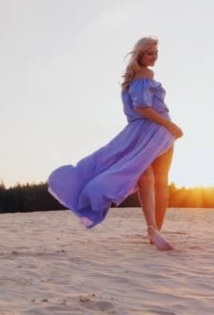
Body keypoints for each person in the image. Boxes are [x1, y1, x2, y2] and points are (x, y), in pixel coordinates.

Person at [47, 36, 183, 251]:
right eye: (150, 53)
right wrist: (170, 125)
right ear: (139, 54)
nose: (154, 57)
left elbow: (136, 110)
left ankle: (153, 230)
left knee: (146, 178)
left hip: (137, 132)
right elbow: (142, 108)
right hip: (156, 131)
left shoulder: (129, 80)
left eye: (157, 53)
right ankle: (155, 230)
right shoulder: (146, 75)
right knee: (158, 181)